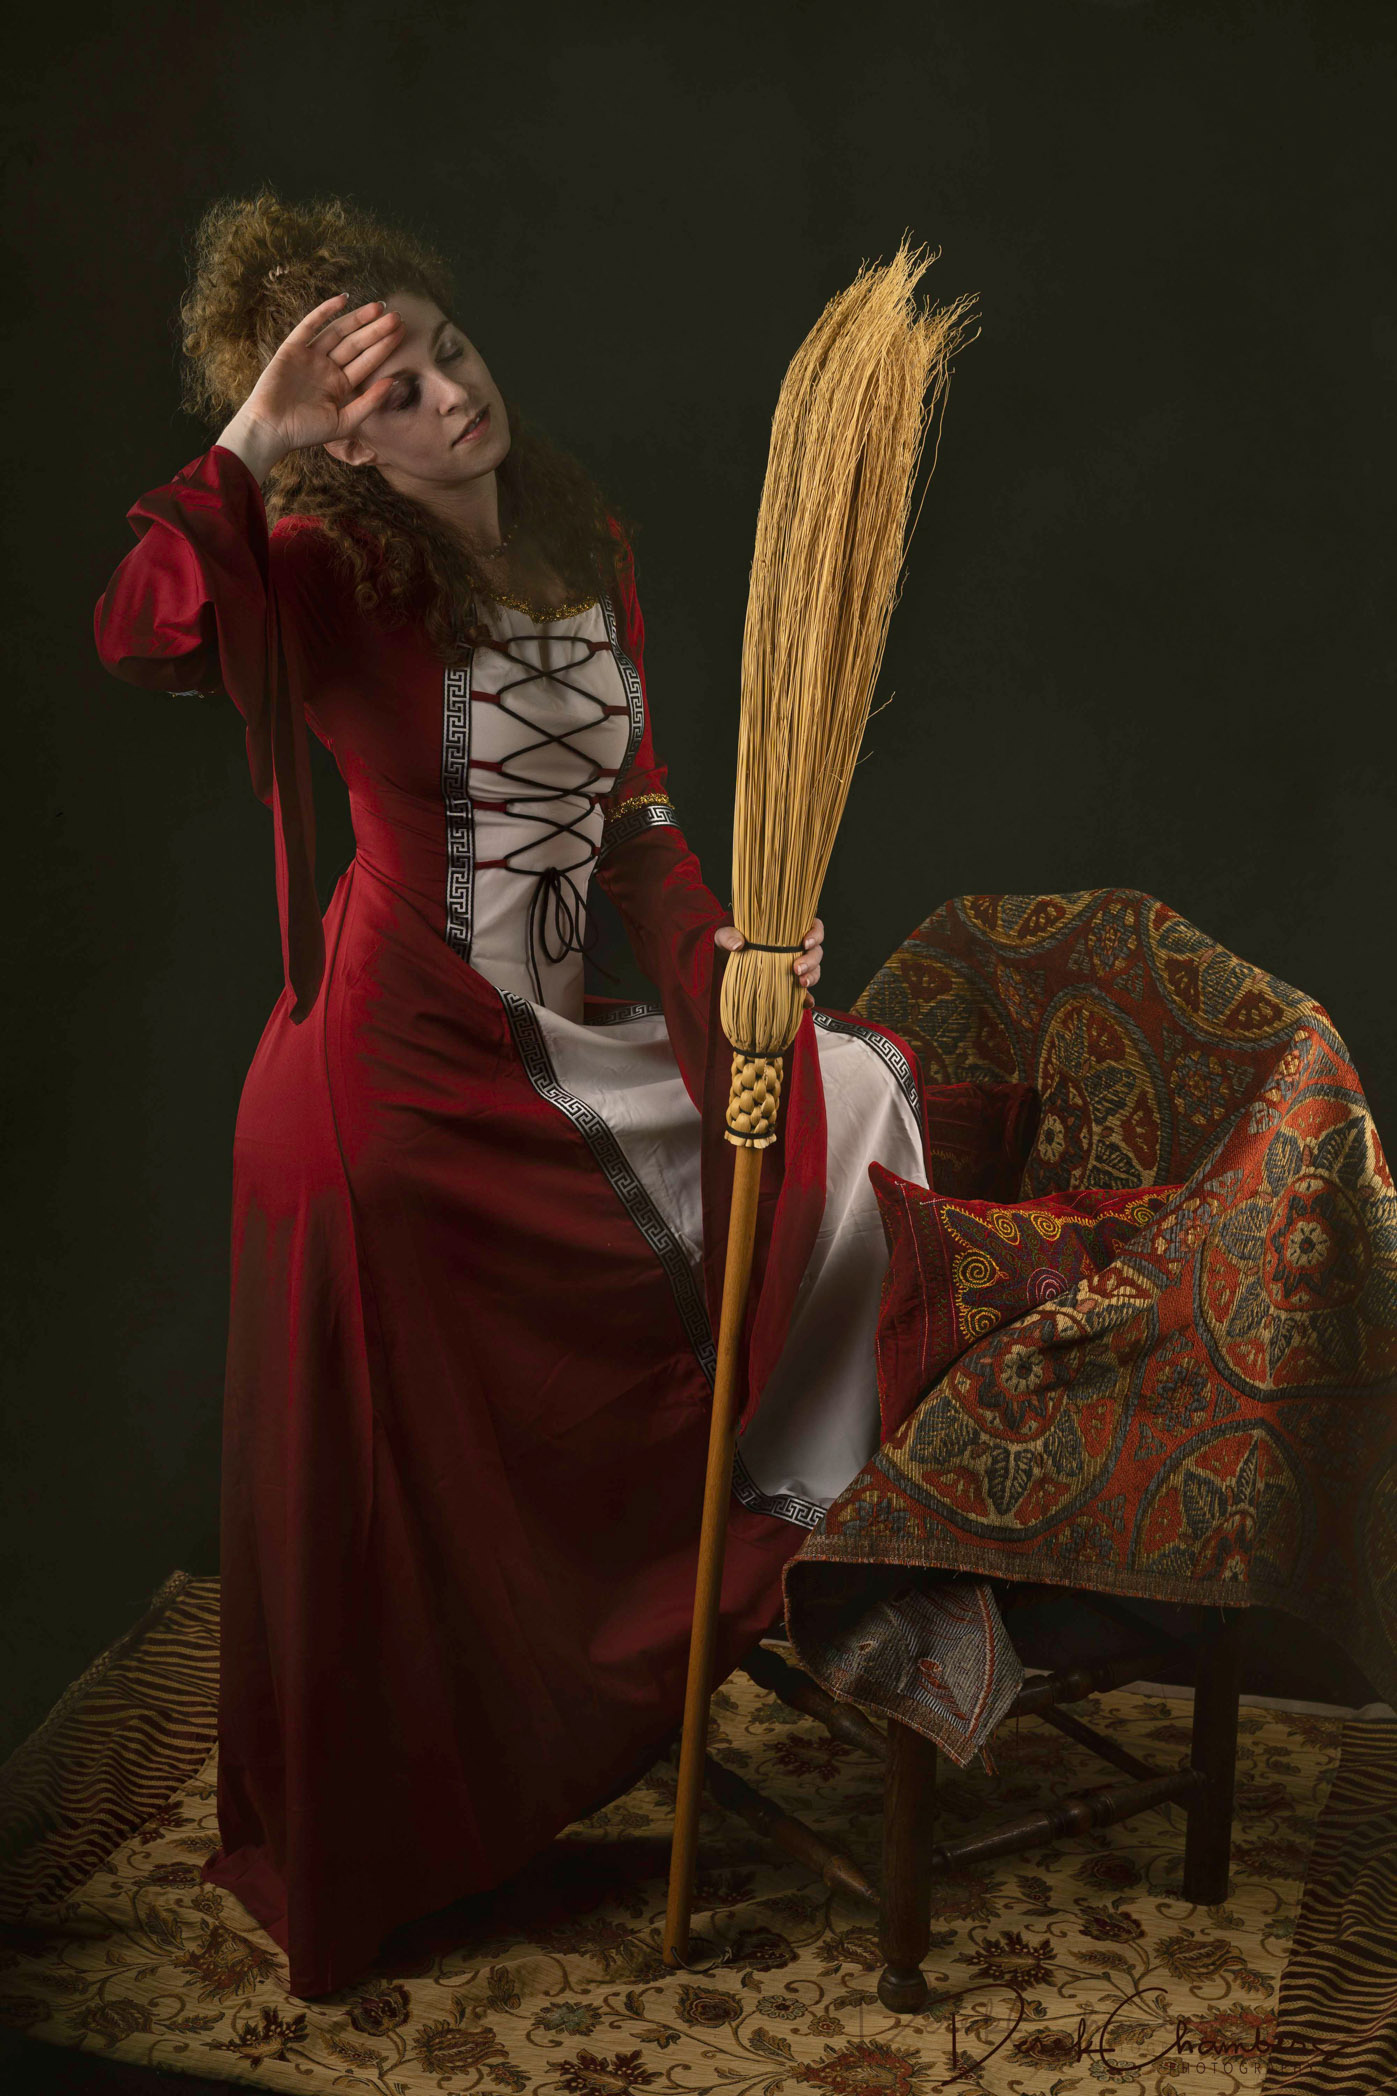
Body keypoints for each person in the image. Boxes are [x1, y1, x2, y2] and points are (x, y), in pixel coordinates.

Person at [94, 192, 930, 1998]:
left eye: (446, 351)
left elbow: (633, 825)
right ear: (339, 444)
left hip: (546, 1048)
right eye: (385, 396)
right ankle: (386, 1855)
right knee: (417, 1502)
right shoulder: (315, 571)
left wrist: (726, 960)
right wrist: (256, 438)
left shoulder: (580, 535)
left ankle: (581, 1730)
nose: (448, 397)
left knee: (845, 1093)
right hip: (385, 1097)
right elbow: (144, 631)